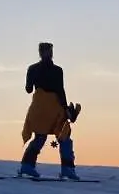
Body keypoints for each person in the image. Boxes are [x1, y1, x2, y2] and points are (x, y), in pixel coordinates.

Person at [20, 41, 81, 179]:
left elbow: (28, 89)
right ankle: (67, 169)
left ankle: (27, 166)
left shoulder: (33, 69)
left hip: (39, 108)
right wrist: (66, 109)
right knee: (63, 137)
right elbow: (60, 91)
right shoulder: (57, 70)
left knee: (41, 137)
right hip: (53, 108)